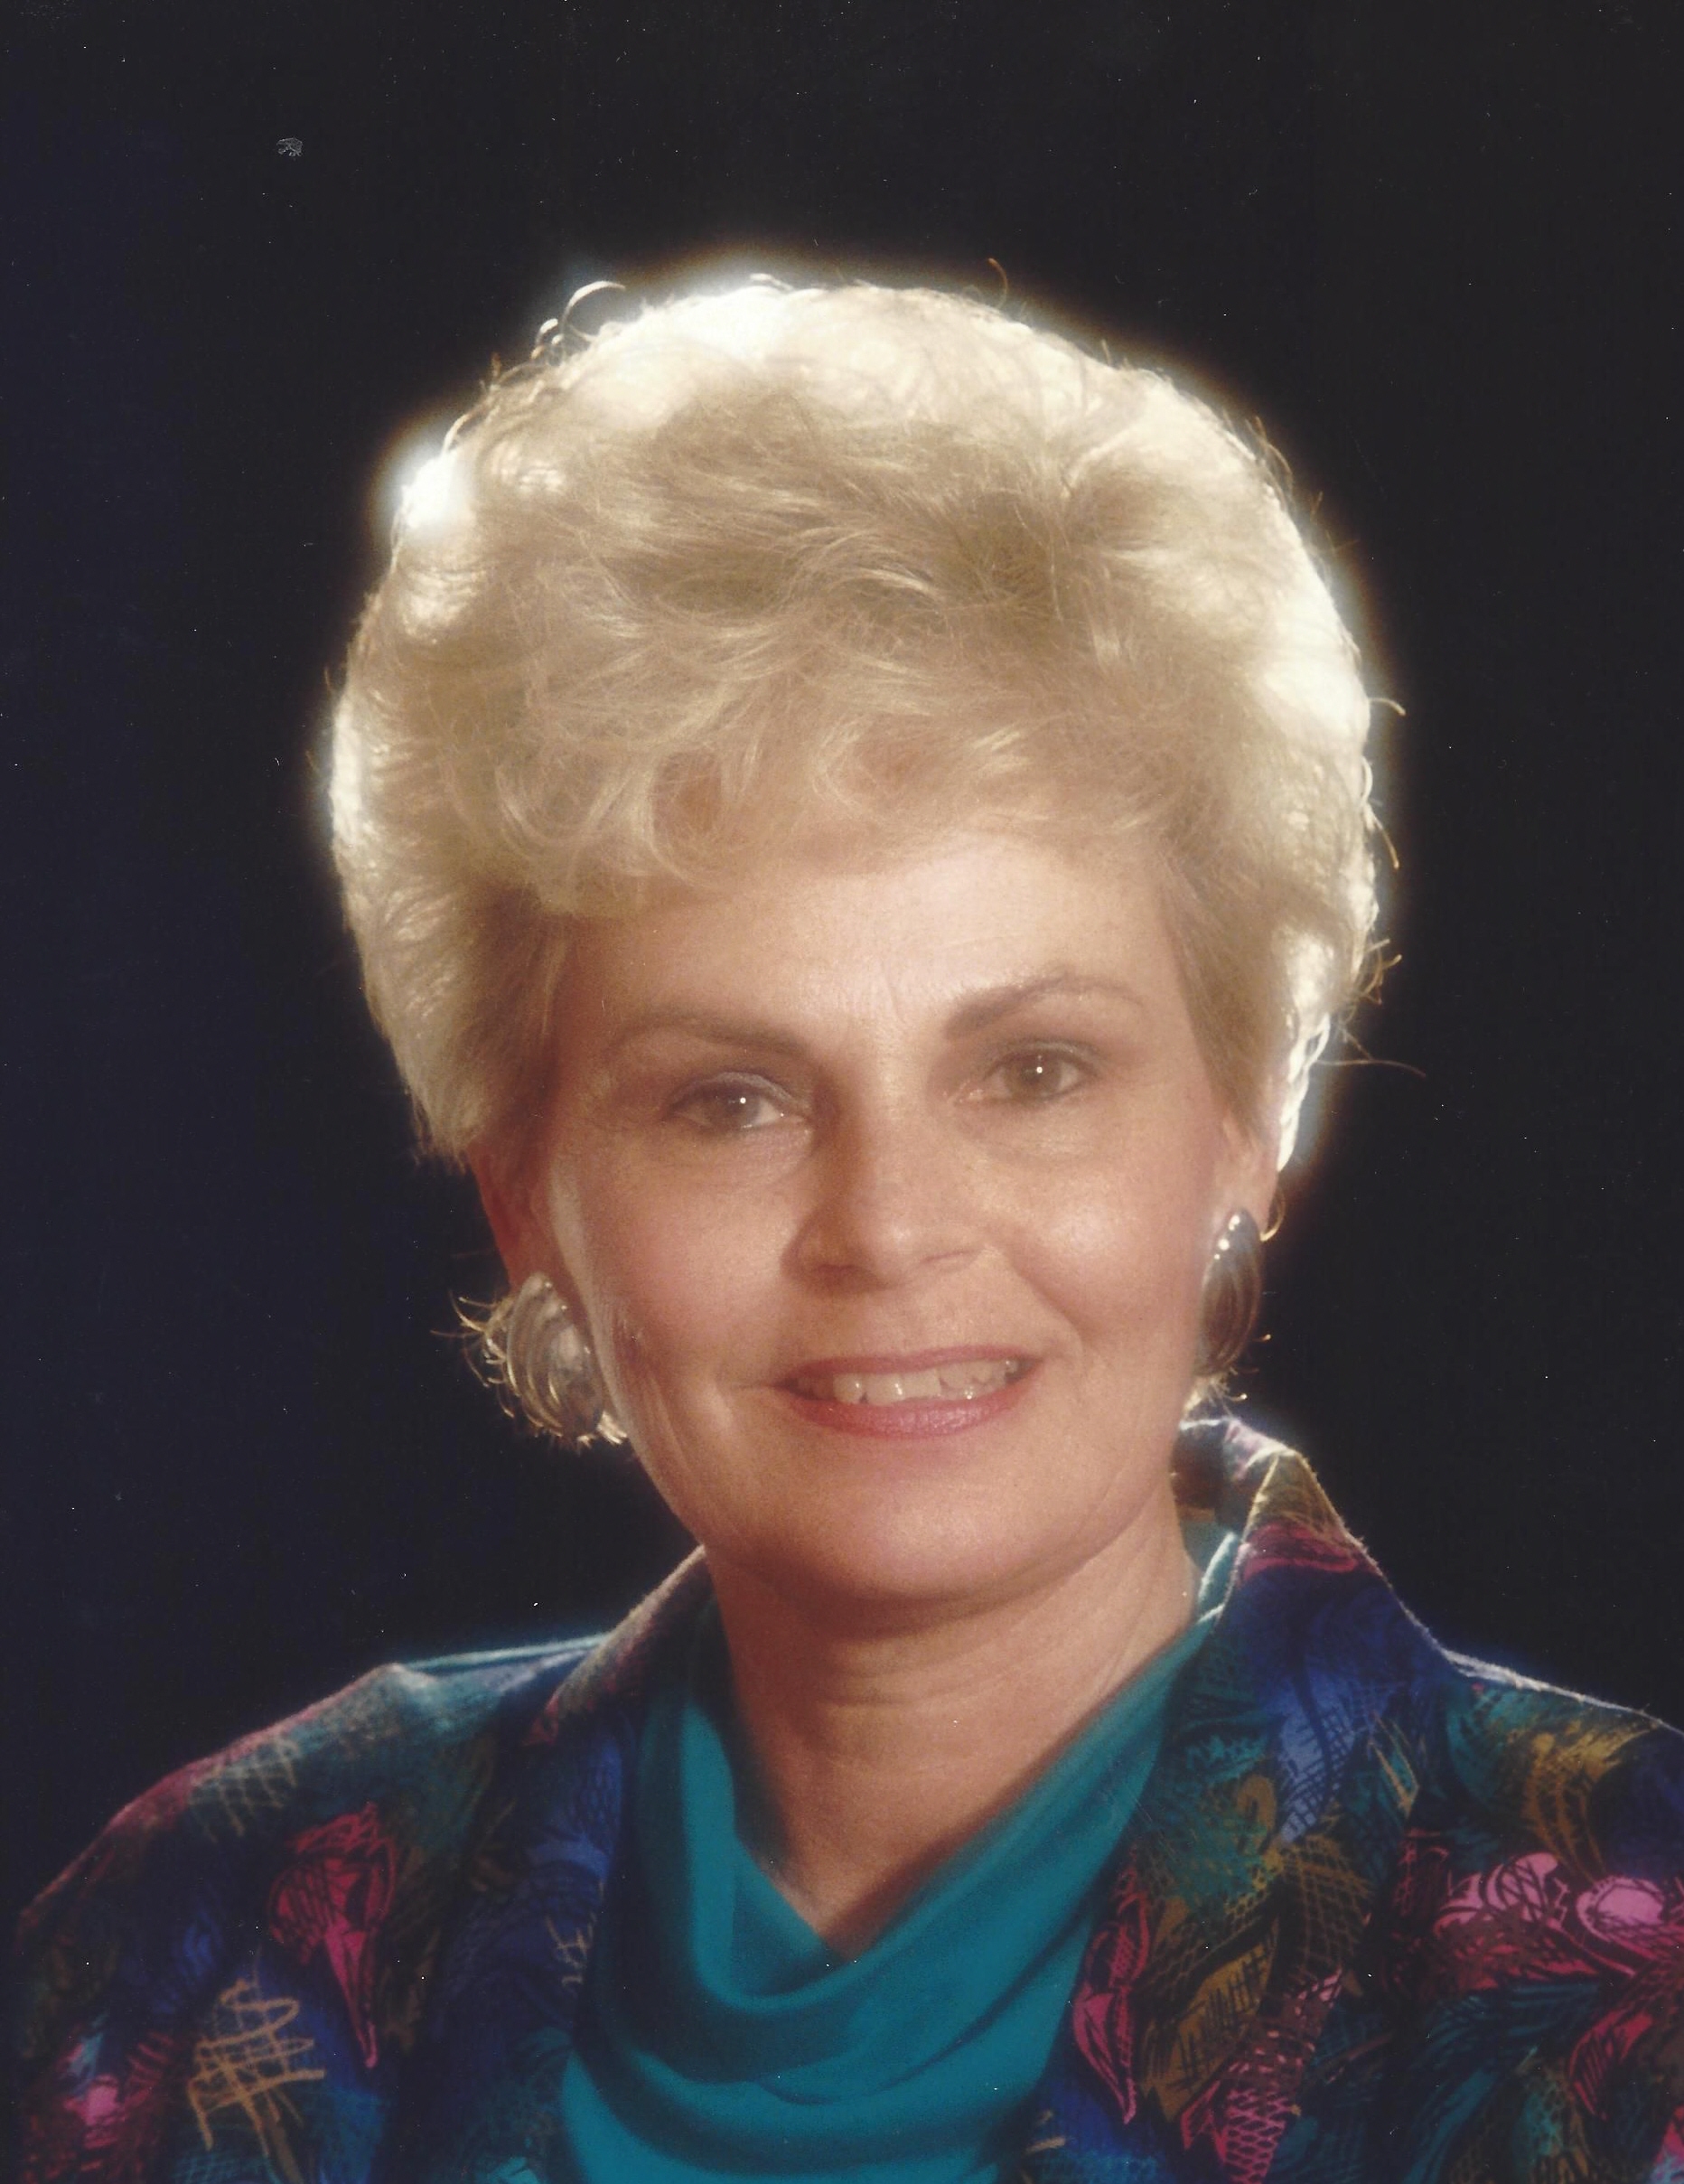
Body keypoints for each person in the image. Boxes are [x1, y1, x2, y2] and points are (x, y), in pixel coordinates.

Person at [14, 277, 1684, 2182]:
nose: (886, 1227)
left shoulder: (1624, 1990)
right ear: (522, 1185)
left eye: (1032, 1071)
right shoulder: (194, 1946)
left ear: (1248, 1120)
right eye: (730, 1099)